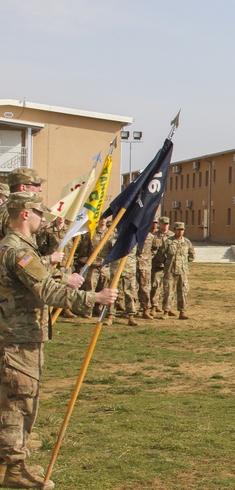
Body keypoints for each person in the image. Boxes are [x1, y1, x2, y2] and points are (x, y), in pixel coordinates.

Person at [0, 192, 117, 490]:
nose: (44, 219)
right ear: (25, 214)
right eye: (41, 213)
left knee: (19, 400)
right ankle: (15, 469)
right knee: (18, 403)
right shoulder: (18, 251)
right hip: (17, 339)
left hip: (19, 336)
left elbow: (42, 279)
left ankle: (16, 461)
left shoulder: (19, 249)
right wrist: (95, 298)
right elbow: (48, 292)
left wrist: (61, 274)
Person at [157, 222, 195, 319]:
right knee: (168, 291)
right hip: (170, 271)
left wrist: (183, 263)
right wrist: (168, 263)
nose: (180, 231)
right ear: (174, 230)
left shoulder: (186, 242)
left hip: (182, 271)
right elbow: (161, 255)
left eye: (182, 229)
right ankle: (166, 311)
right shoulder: (168, 242)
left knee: (183, 292)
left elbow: (191, 256)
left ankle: (182, 312)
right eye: (178, 229)